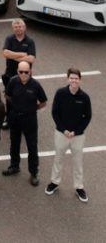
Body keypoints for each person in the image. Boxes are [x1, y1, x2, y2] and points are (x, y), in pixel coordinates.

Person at [46, 68, 92, 203]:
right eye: (71, 78)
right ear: (68, 79)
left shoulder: (85, 97)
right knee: (58, 159)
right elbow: (55, 113)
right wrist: (63, 129)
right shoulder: (60, 93)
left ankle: (79, 187)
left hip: (78, 136)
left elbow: (87, 117)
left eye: (76, 78)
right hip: (61, 134)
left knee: (78, 162)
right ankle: (54, 182)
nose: (74, 80)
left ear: (80, 80)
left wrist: (76, 132)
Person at [3, 61, 47, 186]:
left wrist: (33, 108)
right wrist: (17, 106)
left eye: (26, 72)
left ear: (30, 72)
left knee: (32, 147)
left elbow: (43, 102)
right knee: (14, 143)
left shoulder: (36, 85)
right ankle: (14, 166)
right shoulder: (13, 81)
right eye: (21, 72)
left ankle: (34, 173)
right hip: (15, 118)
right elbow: (7, 95)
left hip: (30, 119)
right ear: (17, 71)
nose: (23, 74)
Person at [1, 19, 36, 128]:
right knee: (9, 97)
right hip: (10, 74)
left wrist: (13, 55)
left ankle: (25, 119)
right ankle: (9, 118)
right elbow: (5, 53)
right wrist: (21, 55)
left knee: (25, 97)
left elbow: (31, 59)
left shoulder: (30, 41)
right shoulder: (9, 39)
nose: (18, 28)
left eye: (20, 26)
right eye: (16, 27)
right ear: (13, 28)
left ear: (24, 27)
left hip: (25, 75)